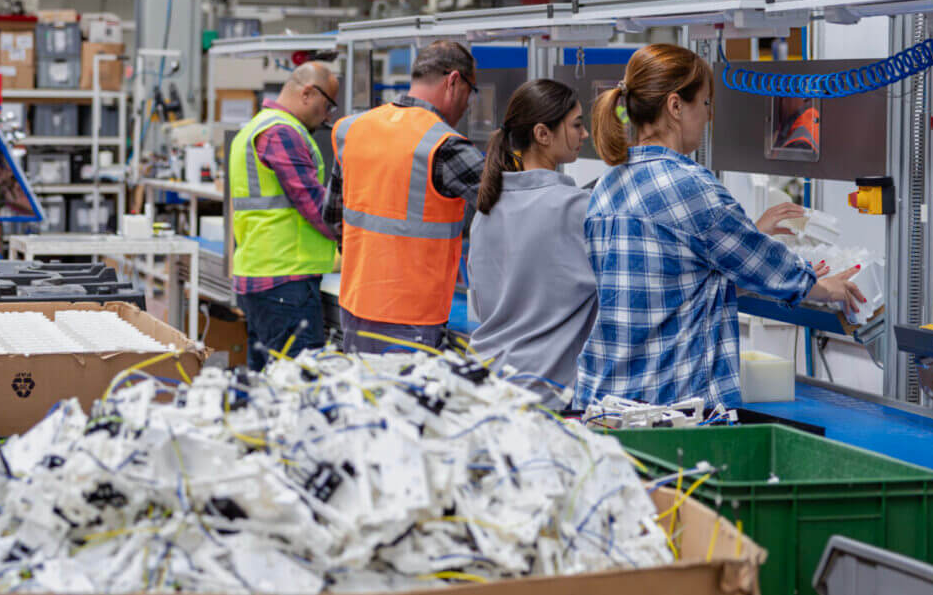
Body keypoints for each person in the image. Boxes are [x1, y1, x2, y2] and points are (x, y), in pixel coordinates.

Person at [574, 44, 863, 409]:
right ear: (676, 106)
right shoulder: (692, 187)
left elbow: (678, 279)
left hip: (605, 400)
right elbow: (765, 266)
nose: (709, 117)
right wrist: (824, 286)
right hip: (670, 409)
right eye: (706, 104)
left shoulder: (607, 185)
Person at [325, 40, 484, 354]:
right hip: (413, 316)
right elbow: (510, 202)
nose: (468, 104)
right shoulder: (444, 145)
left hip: (356, 307)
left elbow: (332, 218)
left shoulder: (352, 128)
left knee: (362, 398)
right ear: (454, 81)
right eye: (470, 91)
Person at [467, 79, 595, 403]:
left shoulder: (486, 209)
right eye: (577, 125)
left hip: (486, 380)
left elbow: (483, 305)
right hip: (545, 391)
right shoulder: (576, 208)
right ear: (542, 134)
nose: (585, 134)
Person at [229, 61, 342, 371]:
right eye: (327, 104)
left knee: (269, 386)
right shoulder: (283, 133)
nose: (328, 115)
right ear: (308, 92)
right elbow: (318, 209)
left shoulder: (255, 127)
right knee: (297, 389)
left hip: (262, 275)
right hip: (285, 284)